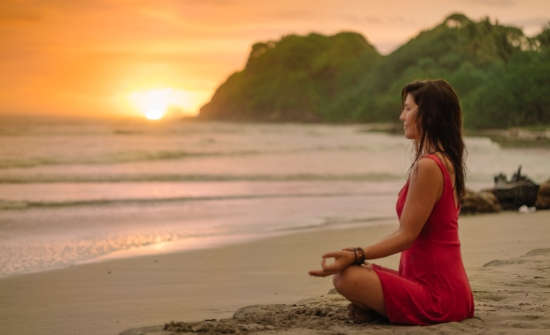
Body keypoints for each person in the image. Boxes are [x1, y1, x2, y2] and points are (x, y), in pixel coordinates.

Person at [309, 79, 475, 325]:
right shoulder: (444, 160)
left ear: (428, 115)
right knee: (354, 275)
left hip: (439, 297)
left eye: (408, 109)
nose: (401, 116)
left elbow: (406, 235)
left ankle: (378, 307)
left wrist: (357, 254)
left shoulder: (429, 166)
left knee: (347, 278)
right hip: (446, 290)